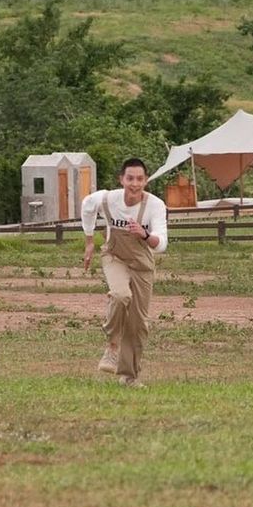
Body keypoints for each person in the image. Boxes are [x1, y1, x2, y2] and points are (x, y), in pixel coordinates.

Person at [81, 157, 168, 388]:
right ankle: (112, 345)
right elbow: (87, 206)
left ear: (146, 180)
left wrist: (144, 234)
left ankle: (129, 377)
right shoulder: (107, 199)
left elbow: (161, 244)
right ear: (122, 179)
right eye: (130, 178)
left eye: (140, 179)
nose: (135, 184)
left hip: (142, 264)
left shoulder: (155, 205)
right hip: (114, 256)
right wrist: (89, 241)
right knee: (120, 295)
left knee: (138, 323)